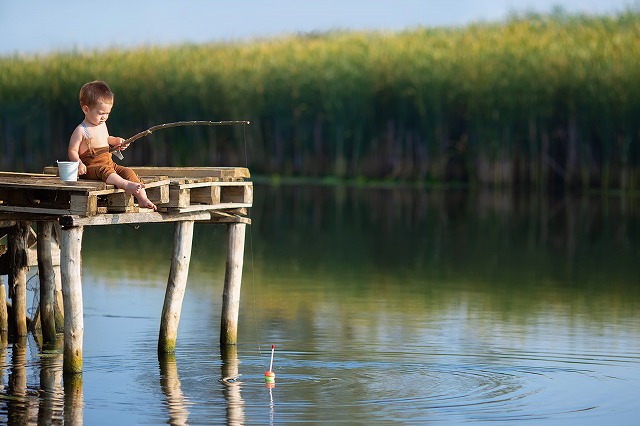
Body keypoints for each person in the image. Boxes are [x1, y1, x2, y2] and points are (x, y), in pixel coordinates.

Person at [68, 80, 157, 210]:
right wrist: (79, 163)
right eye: (101, 113)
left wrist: (117, 141)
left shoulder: (102, 125)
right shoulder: (81, 130)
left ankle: (142, 198)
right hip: (91, 168)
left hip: (108, 163)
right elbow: (72, 150)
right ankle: (126, 185)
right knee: (104, 170)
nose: (104, 117)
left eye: (107, 113)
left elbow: (107, 139)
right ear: (86, 109)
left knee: (127, 171)